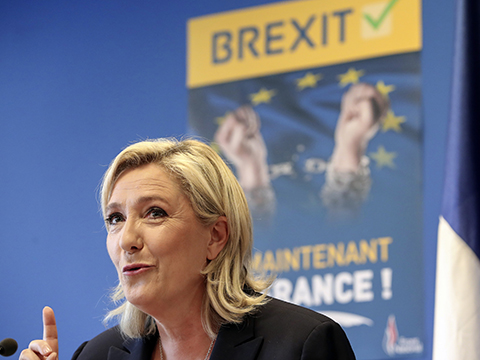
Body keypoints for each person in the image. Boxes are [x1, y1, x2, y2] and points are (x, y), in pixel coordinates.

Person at [20, 138, 356, 360]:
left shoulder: (301, 345)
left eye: (155, 213)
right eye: (115, 218)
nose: (126, 239)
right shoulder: (95, 355)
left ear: (215, 237)